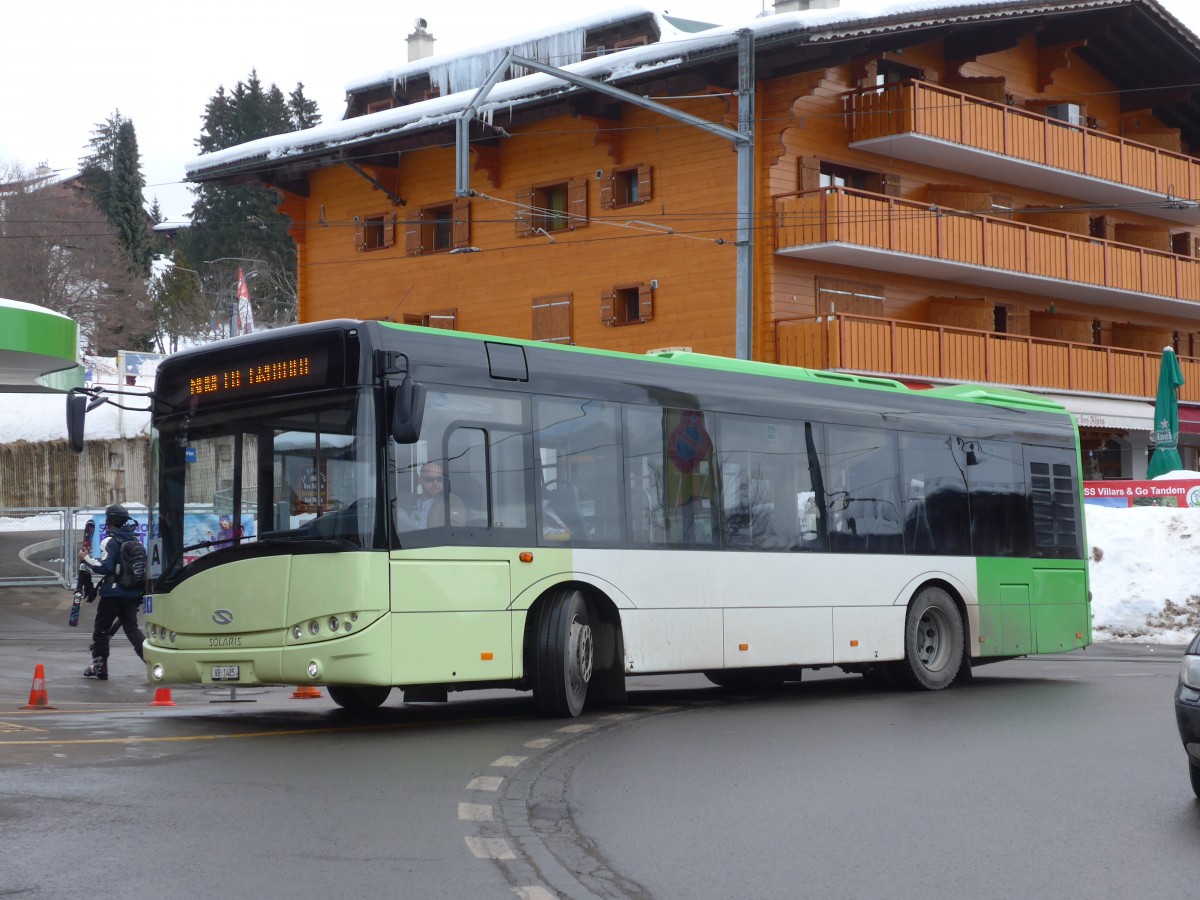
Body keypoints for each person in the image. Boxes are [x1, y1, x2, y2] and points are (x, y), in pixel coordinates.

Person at [78, 504, 146, 680]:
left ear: (110, 520)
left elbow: (105, 567)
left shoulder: (109, 541)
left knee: (101, 630)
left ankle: (100, 667)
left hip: (112, 595)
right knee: (132, 629)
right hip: (132, 593)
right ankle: (152, 662)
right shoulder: (135, 540)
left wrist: (86, 558)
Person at [414, 462, 466, 527]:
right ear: (419, 480)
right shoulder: (410, 501)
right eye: (430, 479)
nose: (435, 483)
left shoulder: (451, 500)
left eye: (439, 479)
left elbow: (453, 526)